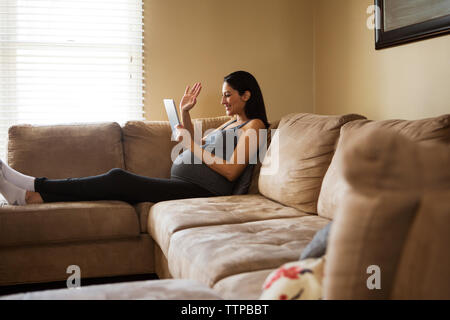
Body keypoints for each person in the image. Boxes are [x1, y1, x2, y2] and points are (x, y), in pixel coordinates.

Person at [0, 71, 269, 206]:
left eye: (228, 95)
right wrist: (185, 113)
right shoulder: (233, 123)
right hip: (185, 185)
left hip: (205, 193)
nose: (223, 100)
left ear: (246, 95)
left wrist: (189, 145)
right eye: (223, 95)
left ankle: (34, 190)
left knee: (118, 179)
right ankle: (32, 189)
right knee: (117, 181)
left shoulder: (254, 126)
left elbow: (232, 171)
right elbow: (195, 145)